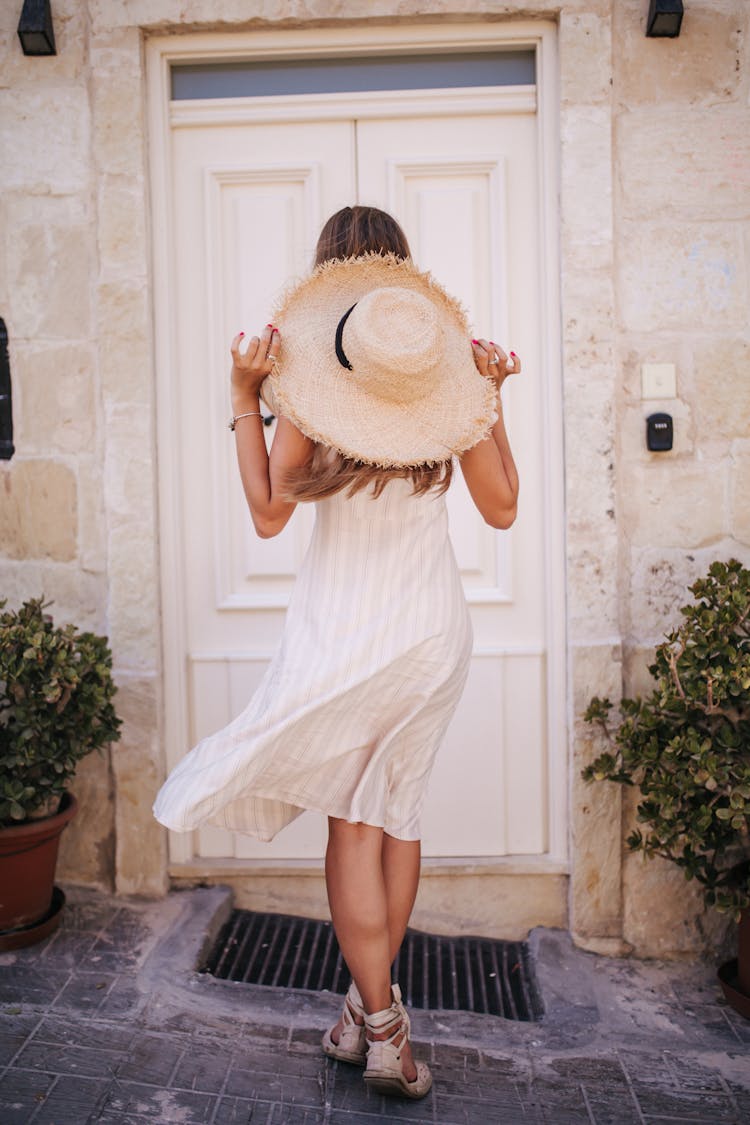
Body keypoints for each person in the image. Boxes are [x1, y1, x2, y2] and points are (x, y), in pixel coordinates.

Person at [153, 205, 521, 1100]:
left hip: (348, 629)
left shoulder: (311, 384)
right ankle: (366, 1013)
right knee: (397, 814)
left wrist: (246, 397)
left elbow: (270, 513)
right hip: (432, 632)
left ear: (333, 292)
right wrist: (489, 399)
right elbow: (504, 508)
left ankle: (386, 1025)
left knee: (352, 826)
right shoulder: (447, 383)